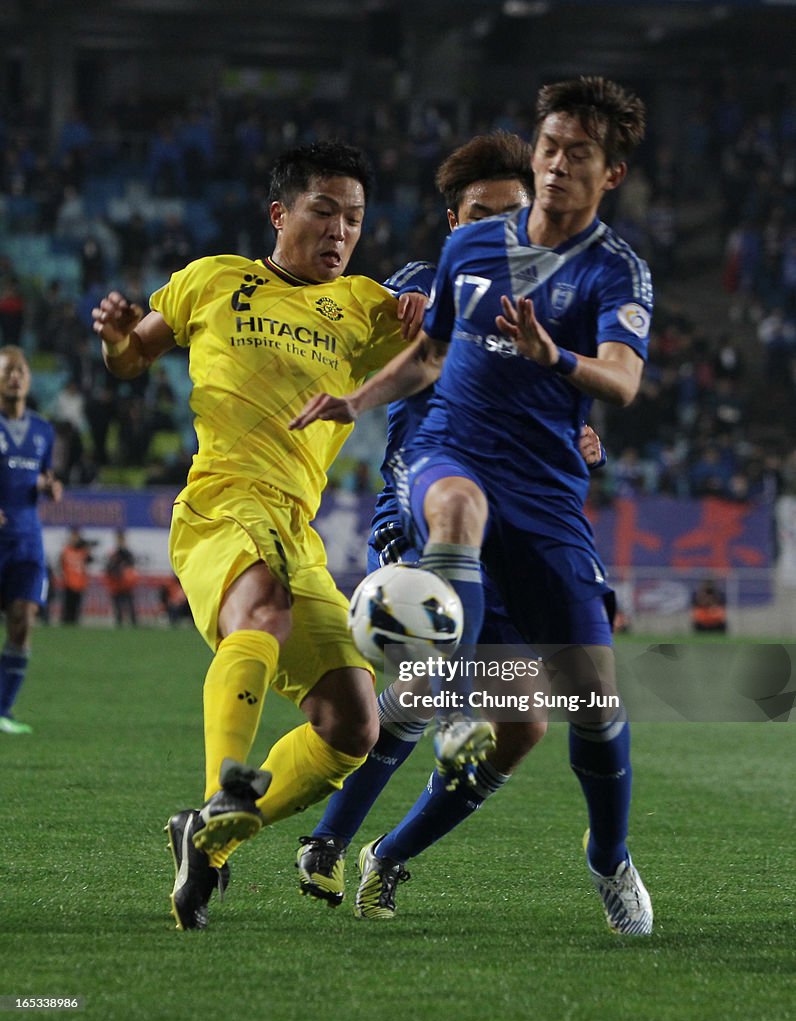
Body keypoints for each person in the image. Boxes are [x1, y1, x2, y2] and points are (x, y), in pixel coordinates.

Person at [291, 77, 654, 935]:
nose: (558, 167)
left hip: (543, 498)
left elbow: (615, 378)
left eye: (577, 157)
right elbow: (407, 343)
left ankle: (413, 851)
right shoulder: (438, 267)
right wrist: (357, 392)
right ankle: (333, 833)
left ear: (611, 175)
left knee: (558, 714)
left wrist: (573, 407)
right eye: (550, 149)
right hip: (436, 475)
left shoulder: (611, 270)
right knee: (452, 535)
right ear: (455, 216)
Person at [92, 140, 414, 932]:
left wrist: (426, 307)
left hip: (297, 527)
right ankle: (219, 791)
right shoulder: (211, 279)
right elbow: (134, 359)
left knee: (355, 723)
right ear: (281, 213)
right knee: (260, 611)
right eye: (325, 211)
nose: (341, 231)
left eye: (355, 219)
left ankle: (211, 837)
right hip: (221, 501)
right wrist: (117, 337)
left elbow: (453, 353)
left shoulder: (369, 306)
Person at [0, 346, 63, 733]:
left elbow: (43, 474)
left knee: (23, 620)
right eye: (7, 370)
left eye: (20, 370)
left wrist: (49, 484)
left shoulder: (43, 430)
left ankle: (3, 711)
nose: (15, 376)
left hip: (26, 539)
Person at [104, 529, 138, 626]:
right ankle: (119, 623)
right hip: (116, 585)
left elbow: (131, 566)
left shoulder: (127, 553)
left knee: (130, 606)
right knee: (117, 607)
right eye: (119, 539)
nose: (120, 541)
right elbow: (109, 568)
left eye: (122, 539)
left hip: (127, 584)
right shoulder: (114, 554)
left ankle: (133, 623)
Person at [59, 526, 93, 625]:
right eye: (73, 536)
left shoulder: (83, 551)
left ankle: (75, 623)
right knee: (67, 606)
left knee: (76, 606)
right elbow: (61, 564)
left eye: (77, 536)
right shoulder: (66, 550)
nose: (75, 538)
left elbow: (90, 561)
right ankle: (65, 622)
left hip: (80, 583)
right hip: (68, 583)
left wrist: (87, 549)